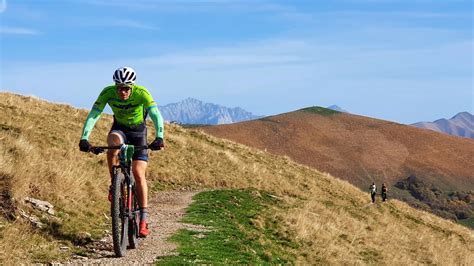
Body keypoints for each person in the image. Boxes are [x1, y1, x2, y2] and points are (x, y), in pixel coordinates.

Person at [78, 67, 164, 237]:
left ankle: (143, 220)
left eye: (126, 88)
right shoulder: (107, 93)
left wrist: (160, 136)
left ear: (132, 87)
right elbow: (94, 114)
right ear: (115, 86)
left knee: (138, 173)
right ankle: (114, 185)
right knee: (112, 143)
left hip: (138, 131)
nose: (122, 92)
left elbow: (155, 114)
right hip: (120, 129)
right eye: (119, 88)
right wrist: (84, 138)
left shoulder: (142, 93)